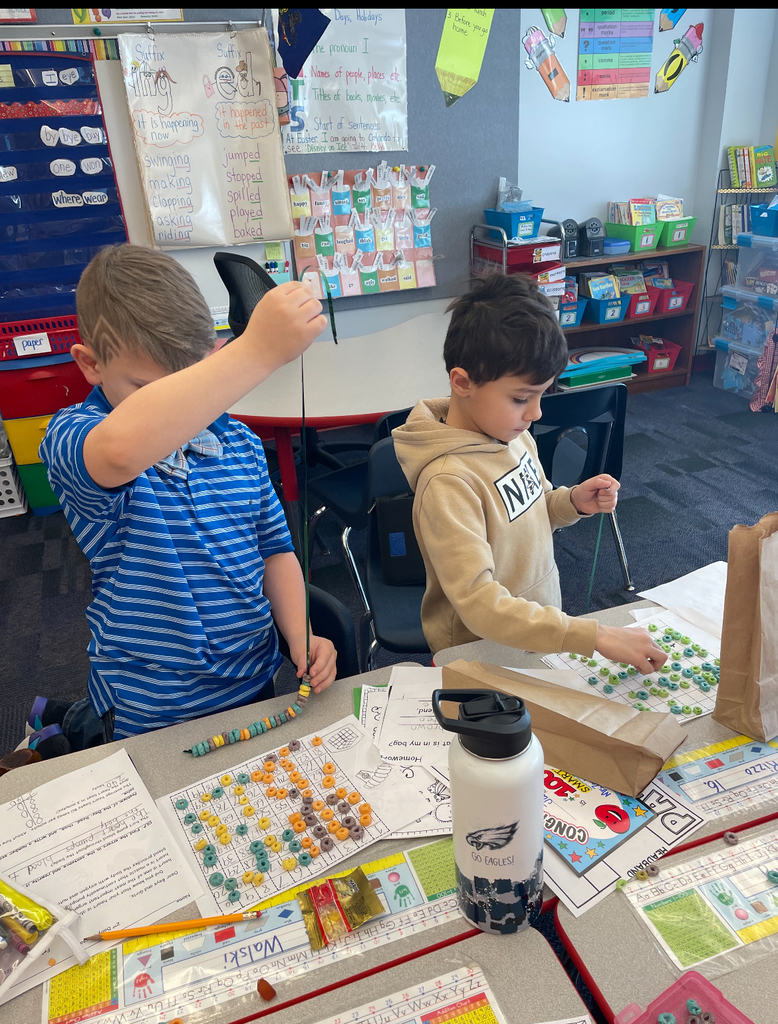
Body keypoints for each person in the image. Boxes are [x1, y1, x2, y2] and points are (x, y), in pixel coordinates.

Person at [26, 244, 335, 756]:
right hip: (152, 707)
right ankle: (67, 727)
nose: (182, 405)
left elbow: (274, 551)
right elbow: (121, 450)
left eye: (189, 380)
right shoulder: (76, 436)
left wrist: (301, 635)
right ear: (91, 364)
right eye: (148, 388)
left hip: (252, 680)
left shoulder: (240, 443)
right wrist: (256, 351)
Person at [393, 273, 667, 671]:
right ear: (462, 382)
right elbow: (480, 604)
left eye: (542, 395)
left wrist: (572, 502)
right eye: (522, 398)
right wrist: (593, 636)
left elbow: (534, 509)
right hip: (478, 654)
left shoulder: (512, 434)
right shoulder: (447, 483)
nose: (536, 413)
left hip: (536, 631)